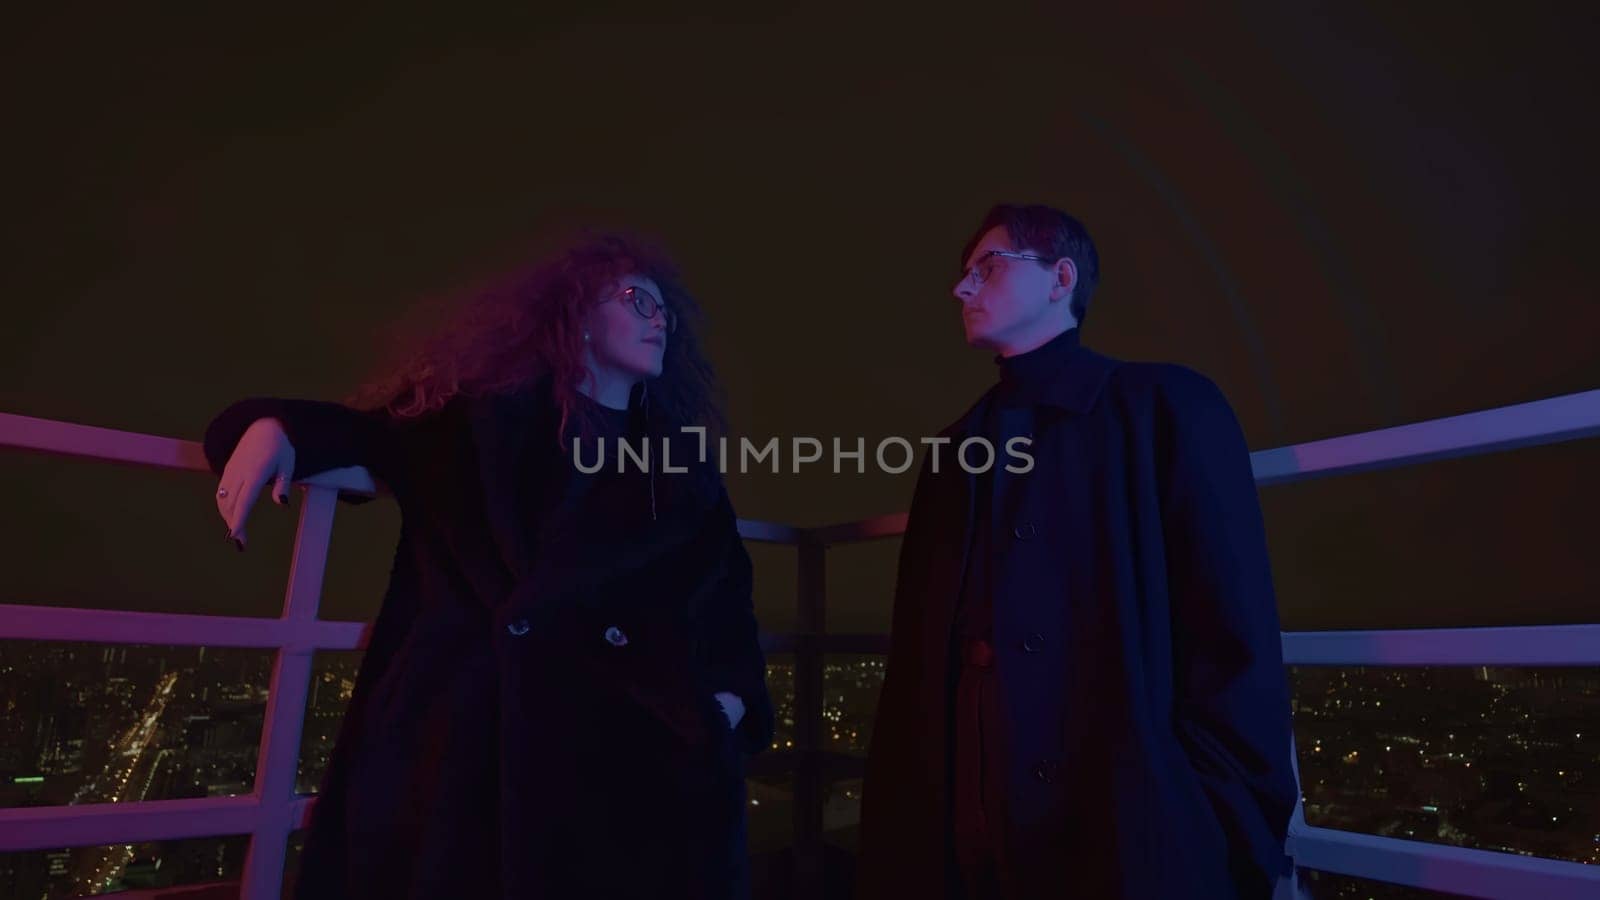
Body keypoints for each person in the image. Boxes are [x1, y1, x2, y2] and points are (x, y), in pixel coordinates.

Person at [204, 234, 773, 899]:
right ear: (575, 316)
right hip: (467, 750)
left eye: (665, 311)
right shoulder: (469, 427)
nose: (658, 320)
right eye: (634, 298)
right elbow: (368, 432)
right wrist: (272, 429)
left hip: (634, 766)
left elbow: (727, 603)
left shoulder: (684, 473)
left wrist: (725, 709)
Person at [855, 205, 1298, 899]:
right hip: (964, 823)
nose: (961, 289)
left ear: (1061, 277)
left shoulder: (1166, 406)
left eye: (988, 267)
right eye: (963, 273)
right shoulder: (952, 449)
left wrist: (1219, 818)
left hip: (1126, 825)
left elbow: (1234, 630)